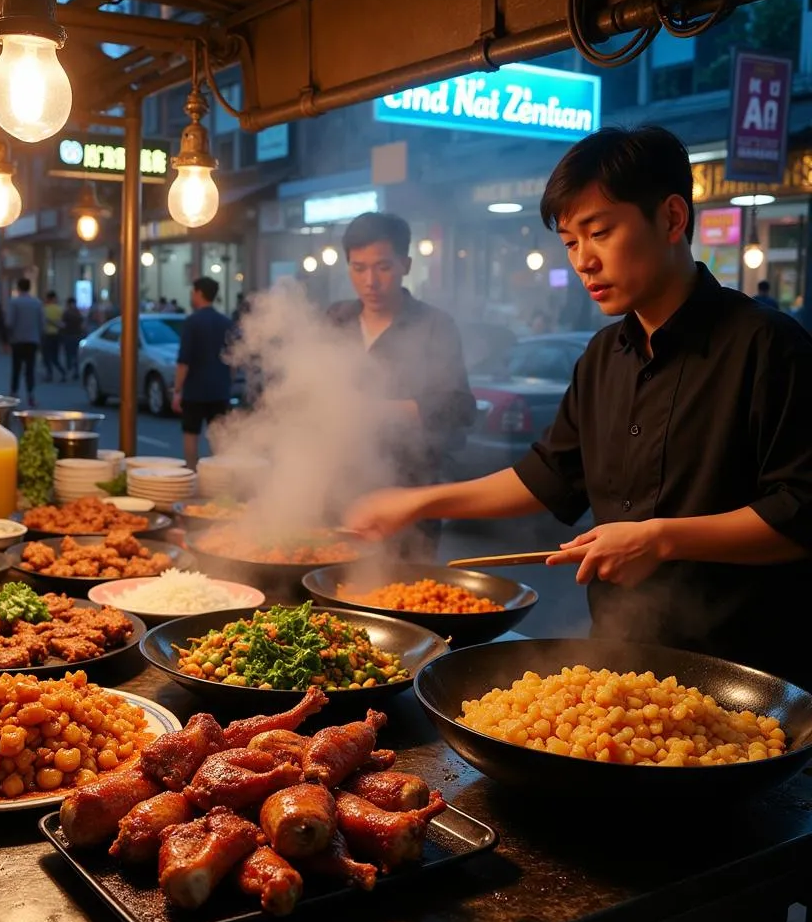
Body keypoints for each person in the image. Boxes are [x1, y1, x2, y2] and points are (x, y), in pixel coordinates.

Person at [346, 126, 812, 692]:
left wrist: (660, 537)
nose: (583, 261)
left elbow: (802, 514)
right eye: (570, 241)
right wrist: (417, 502)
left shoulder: (767, 345)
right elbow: (546, 479)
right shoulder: (601, 358)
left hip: (741, 681)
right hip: (617, 672)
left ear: (671, 219)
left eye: (601, 231)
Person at [328, 211, 474, 560]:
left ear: (406, 264)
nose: (370, 281)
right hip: (335, 493)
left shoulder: (434, 326)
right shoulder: (335, 320)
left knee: (399, 600)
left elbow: (459, 407)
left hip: (406, 499)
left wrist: (379, 411)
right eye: (358, 268)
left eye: (383, 267)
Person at [172, 276, 234, 471]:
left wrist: (177, 390)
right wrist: (227, 383)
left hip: (195, 390)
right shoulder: (226, 322)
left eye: (192, 292)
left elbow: (184, 362)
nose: (191, 295)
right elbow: (233, 359)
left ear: (199, 293)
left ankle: (192, 472)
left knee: (191, 434)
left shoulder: (192, 322)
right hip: (220, 389)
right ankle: (219, 476)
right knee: (219, 437)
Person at [7, 277, 43, 406]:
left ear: (18, 288)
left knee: (16, 368)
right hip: (32, 340)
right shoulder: (37, 303)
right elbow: (41, 323)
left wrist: (8, 338)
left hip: (17, 340)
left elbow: (10, 322)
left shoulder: (14, 303)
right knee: (30, 368)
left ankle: (14, 393)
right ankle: (30, 395)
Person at [41, 290, 67, 382]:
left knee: (46, 356)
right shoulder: (60, 309)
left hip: (47, 335)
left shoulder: (44, 309)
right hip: (57, 335)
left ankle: (49, 374)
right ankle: (63, 372)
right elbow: (63, 323)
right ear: (54, 298)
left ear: (48, 298)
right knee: (55, 357)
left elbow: (41, 323)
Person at [60, 297, 84, 379]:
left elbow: (63, 324)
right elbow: (82, 323)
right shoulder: (78, 312)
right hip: (77, 335)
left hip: (68, 335)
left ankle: (69, 370)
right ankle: (76, 370)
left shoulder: (66, 313)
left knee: (68, 354)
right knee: (75, 354)